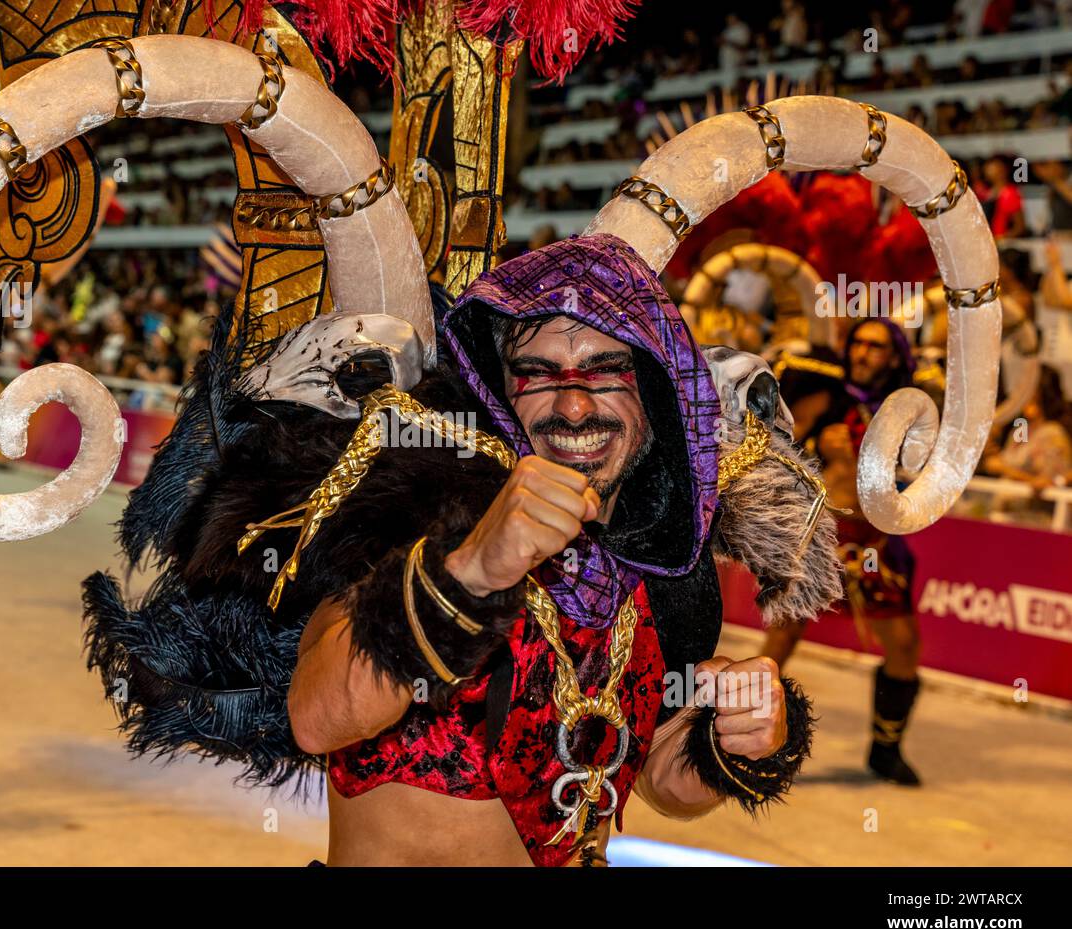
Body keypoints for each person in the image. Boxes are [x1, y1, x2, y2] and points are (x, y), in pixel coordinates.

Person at [85, 235, 839, 866]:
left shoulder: (662, 569)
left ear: (655, 394)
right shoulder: (410, 512)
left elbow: (659, 782)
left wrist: (735, 733)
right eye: (538, 375)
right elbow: (319, 714)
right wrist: (476, 565)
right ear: (500, 390)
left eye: (605, 372)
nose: (573, 403)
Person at [765, 317, 927, 786]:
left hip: (875, 540)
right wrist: (817, 445)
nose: (862, 353)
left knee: (904, 645)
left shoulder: (904, 413)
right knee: (781, 640)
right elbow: (776, 450)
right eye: (857, 344)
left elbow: (923, 472)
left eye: (875, 347)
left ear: (894, 356)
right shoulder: (819, 395)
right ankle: (742, 738)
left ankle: (886, 749)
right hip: (820, 535)